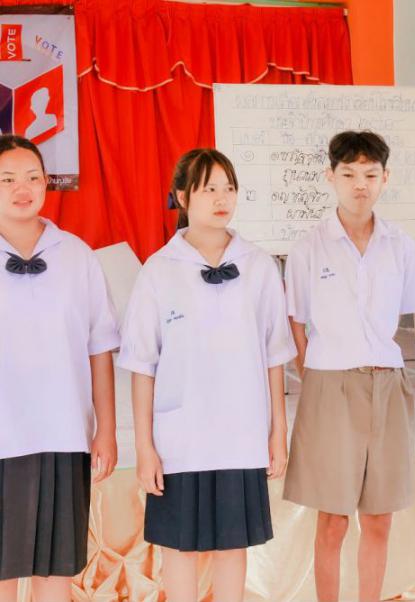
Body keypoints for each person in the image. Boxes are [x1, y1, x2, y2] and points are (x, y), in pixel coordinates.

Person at [118, 148, 296, 602]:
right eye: (209, 189)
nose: (222, 198)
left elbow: (274, 355)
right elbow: (142, 365)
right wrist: (145, 446)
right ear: (182, 197)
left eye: (229, 188)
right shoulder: (159, 270)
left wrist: (278, 431)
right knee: (179, 547)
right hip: (181, 438)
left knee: (233, 545)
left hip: (241, 431)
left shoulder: (258, 266)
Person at [282, 131, 415, 602]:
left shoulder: (401, 245)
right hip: (329, 385)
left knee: (379, 518)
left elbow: (404, 314)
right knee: (333, 519)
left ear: (386, 178)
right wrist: (316, 377)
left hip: (387, 381)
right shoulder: (308, 248)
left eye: (370, 174)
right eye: (349, 174)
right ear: (331, 177)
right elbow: (296, 323)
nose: (360, 184)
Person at [0, 134, 119, 602]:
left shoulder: (76, 255)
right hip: (3, 432)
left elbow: (100, 347)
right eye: (8, 179)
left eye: (33, 177)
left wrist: (106, 430)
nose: (22, 188)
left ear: (47, 182)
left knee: (56, 568)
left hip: (64, 434)